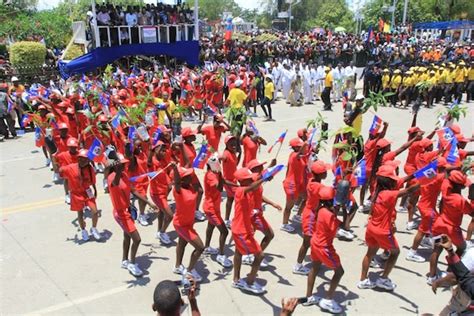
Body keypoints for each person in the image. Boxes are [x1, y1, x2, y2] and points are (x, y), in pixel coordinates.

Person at [357, 164, 419, 291]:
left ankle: (363, 280)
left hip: (371, 228)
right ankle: (383, 279)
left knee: (369, 253)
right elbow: (408, 191)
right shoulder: (389, 194)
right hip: (383, 231)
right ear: (389, 181)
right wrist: (425, 181)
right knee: (395, 252)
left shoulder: (377, 191)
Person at [107, 152, 157, 277]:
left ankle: (124, 260)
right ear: (116, 166)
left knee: (127, 237)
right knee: (137, 239)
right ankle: (132, 263)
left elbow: (133, 191)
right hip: (121, 214)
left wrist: (148, 203)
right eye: (121, 164)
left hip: (127, 211)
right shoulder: (112, 177)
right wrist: (118, 170)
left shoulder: (123, 174)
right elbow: (115, 183)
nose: (124, 166)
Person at [304, 186, 345, 313]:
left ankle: (309, 296)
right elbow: (343, 226)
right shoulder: (329, 215)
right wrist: (343, 210)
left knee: (314, 268)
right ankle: (328, 300)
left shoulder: (320, 209)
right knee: (339, 272)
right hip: (324, 246)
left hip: (315, 242)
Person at [231, 168, 267, 294]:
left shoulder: (247, 191)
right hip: (241, 231)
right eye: (249, 178)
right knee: (260, 255)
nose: (251, 179)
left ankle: (236, 279)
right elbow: (252, 186)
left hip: (242, 228)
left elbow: (255, 184)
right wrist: (264, 179)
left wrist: (267, 173)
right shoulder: (241, 190)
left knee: (238, 253)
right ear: (243, 181)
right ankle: (250, 282)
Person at [294, 160, 330, 276]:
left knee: (314, 239)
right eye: (325, 172)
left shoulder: (312, 181)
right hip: (310, 216)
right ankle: (298, 265)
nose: (326, 174)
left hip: (312, 213)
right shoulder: (318, 186)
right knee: (306, 242)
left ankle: (317, 260)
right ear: (319, 174)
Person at [171, 164, 205, 282]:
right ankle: (190, 271)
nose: (191, 176)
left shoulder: (191, 186)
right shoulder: (178, 191)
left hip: (189, 223)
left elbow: (200, 190)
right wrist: (175, 169)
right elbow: (176, 183)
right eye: (188, 175)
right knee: (200, 247)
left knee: (182, 244)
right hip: (181, 224)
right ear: (181, 179)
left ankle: (177, 266)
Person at [59, 149, 101, 242]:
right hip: (76, 194)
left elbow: (93, 182)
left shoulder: (90, 169)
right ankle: (83, 230)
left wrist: (95, 191)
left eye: (85, 159)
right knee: (80, 214)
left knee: (95, 212)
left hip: (87, 192)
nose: (83, 161)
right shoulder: (70, 168)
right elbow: (61, 171)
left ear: (88, 161)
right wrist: (59, 167)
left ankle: (93, 228)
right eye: (81, 159)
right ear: (78, 159)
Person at [202, 155, 232, 268]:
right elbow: (219, 188)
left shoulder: (217, 172)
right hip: (210, 209)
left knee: (210, 226)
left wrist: (238, 187)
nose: (220, 163)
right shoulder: (211, 175)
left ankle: (207, 247)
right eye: (218, 161)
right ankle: (221, 255)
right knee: (224, 232)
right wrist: (219, 174)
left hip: (215, 207)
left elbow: (224, 182)